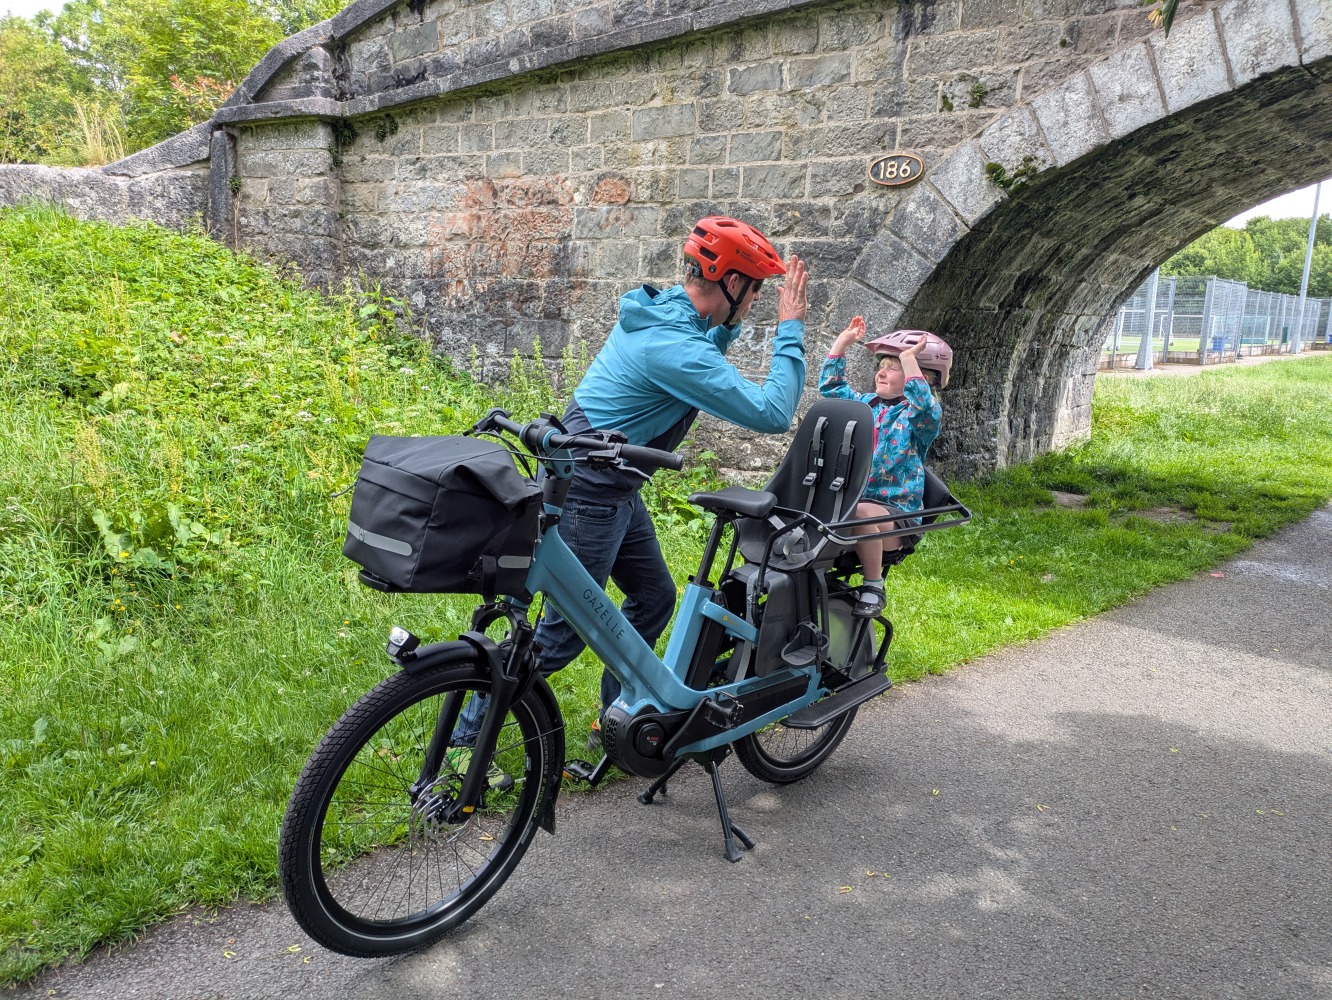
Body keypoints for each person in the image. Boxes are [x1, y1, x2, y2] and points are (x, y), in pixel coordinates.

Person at [451, 216, 810, 781]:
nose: (760, 299)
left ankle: (619, 719)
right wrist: (791, 329)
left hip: (606, 477)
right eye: (756, 287)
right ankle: (464, 747)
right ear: (733, 281)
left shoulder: (667, 310)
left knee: (654, 596)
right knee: (562, 635)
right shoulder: (674, 347)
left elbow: (703, 348)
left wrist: (730, 323)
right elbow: (773, 412)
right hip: (592, 488)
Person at [818, 317, 952, 616]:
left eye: (893, 367)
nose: (881, 372)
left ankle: (873, 585)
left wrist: (910, 360)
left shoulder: (918, 418)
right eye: (881, 365)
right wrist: (842, 343)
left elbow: (925, 407)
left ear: (922, 378)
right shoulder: (867, 404)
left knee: (862, 513)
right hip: (852, 504)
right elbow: (832, 390)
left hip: (896, 515)